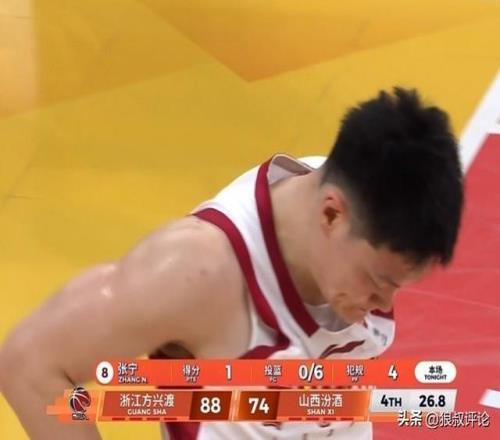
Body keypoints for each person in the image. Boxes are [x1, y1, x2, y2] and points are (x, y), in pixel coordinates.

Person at [0, 87, 464, 439]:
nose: (382, 303)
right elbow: (31, 366)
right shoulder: (197, 271)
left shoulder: (366, 204)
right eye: (378, 281)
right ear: (330, 214)